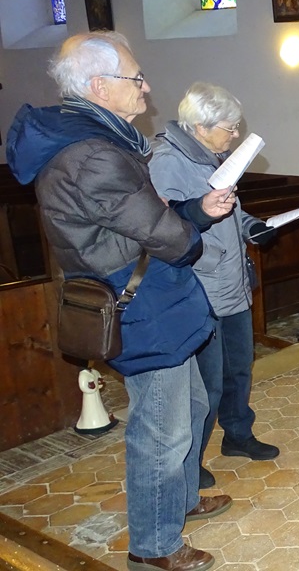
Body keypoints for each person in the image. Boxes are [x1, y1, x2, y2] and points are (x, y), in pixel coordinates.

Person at [6, 31, 233, 571]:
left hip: (158, 299)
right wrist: (193, 230)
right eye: (136, 78)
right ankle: (153, 548)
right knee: (160, 431)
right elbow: (163, 233)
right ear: (99, 86)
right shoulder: (90, 155)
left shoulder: (99, 140)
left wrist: (195, 208)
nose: (147, 87)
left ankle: (178, 500)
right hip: (143, 306)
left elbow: (145, 216)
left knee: (194, 407)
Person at [150, 83, 280, 491]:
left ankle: (238, 435)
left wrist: (251, 226)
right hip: (200, 285)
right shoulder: (168, 162)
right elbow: (165, 226)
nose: (236, 134)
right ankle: (193, 458)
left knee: (239, 367)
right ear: (200, 127)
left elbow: (227, 212)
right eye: (229, 127)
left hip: (232, 283)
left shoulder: (215, 157)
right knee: (206, 382)